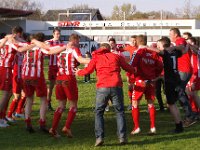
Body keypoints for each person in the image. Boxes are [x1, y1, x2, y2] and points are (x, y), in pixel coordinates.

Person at [75, 43, 136, 146]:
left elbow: (88, 70)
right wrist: (134, 70)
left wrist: (79, 72)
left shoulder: (96, 58)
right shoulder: (116, 56)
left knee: (99, 112)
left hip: (102, 87)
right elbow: (127, 67)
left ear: (100, 49)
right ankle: (122, 137)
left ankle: (99, 138)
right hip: (116, 86)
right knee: (119, 111)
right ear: (109, 49)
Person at [31, 33, 90, 138]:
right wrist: (94, 60)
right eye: (78, 41)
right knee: (73, 105)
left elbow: (47, 50)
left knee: (61, 106)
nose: (79, 43)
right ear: (75, 41)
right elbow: (81, 60)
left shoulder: (61, 48)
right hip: (69, 78)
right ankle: (67, 127)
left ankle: (53, 129)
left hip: (59, 78)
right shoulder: (74, 49)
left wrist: (35, 42)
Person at [128, 35, 163, 135]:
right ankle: (152, 127)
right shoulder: (153, 53)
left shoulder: (137, 52)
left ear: (137, 42)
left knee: (135, 103)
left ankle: (136, 127)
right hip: (151, 81)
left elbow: (131, 66)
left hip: (140, 81)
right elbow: (160, 66)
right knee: (150, 103)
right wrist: (154, 75)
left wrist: (131, 80)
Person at [151, 37, 184, 133]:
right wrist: (174, 47)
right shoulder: (175, 52)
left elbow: (156, 50)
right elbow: (185, 49)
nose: (158, 48)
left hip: (170, 81)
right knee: (173, 104)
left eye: (159, 46)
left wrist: (143, 46)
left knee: (171, 104)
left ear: (163, 46)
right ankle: (180, 124)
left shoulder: (165, 53)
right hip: (176, 78)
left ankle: (178, 127)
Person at [169, 28, 196, 127]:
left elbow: (181, 46)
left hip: (184, 70)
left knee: (179, 92)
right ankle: (190, 115)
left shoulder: (179, 40)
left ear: (175, 34)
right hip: (183, 70)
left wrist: (173, 48)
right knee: (180, 92)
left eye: (170, 34)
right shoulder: (177, 41)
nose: (169, 36)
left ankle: (190, 116)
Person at [0, 26, 24, 127]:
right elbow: (22, 45)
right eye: (20, 35)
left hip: (7, 68)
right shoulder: (12, 41)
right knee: (6, 94)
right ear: (18, 33)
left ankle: (2, 115)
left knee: (9, 93)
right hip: (5, 67)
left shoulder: (4, 39)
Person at [45, 27, 64, 111]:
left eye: (59, 33)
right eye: (57, 34)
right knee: (51, 86)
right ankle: (48, 102)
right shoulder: (48, 42)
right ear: (53, 34)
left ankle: (62, 104)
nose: (58, 35)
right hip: (52, 66)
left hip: (60, 67)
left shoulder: (62, 43)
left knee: (61, 85)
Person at [124, 35, 138, 111]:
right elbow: (121, 49)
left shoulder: (140, 48)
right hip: (131, 70)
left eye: (134, 40)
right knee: (130, 87)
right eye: (132, 40)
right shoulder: (129, 47)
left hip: (139, 70)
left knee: (142, 87)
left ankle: (149, 104)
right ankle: (131, 103)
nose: (133, 42)